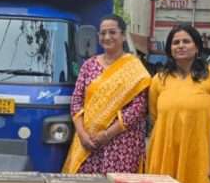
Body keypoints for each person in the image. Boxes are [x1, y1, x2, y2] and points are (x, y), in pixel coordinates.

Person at [62, 14, 150, 174]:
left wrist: (107, 134)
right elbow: (76, 101)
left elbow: (138, 108)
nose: (107, 37)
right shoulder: (89, 65)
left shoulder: (135, 68)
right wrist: (82, 134)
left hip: (121, 144)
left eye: (112, 32)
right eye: (103, 33)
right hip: (88, 142)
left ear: (123, 36)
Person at [145, 24, 210, 183]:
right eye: (175, 42)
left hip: (200, 151)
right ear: (169, 49)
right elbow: (155, 116)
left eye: (186, 41)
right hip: (166, 150)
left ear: (197, 47)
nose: (180, 46)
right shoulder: (158, 80)